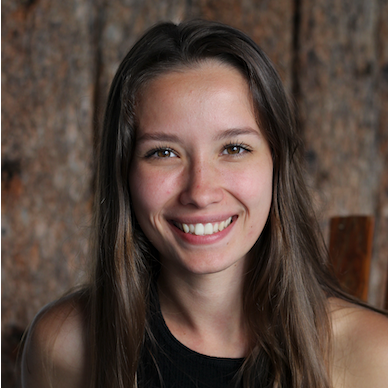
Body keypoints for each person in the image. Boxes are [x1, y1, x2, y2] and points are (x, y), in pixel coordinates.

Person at [21, 19, 388, 388]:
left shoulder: (374, 355)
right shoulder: (65, 344)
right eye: (163, 152)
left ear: (277, 165)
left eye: (234, 148)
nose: (200, 191)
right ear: (125, 172)